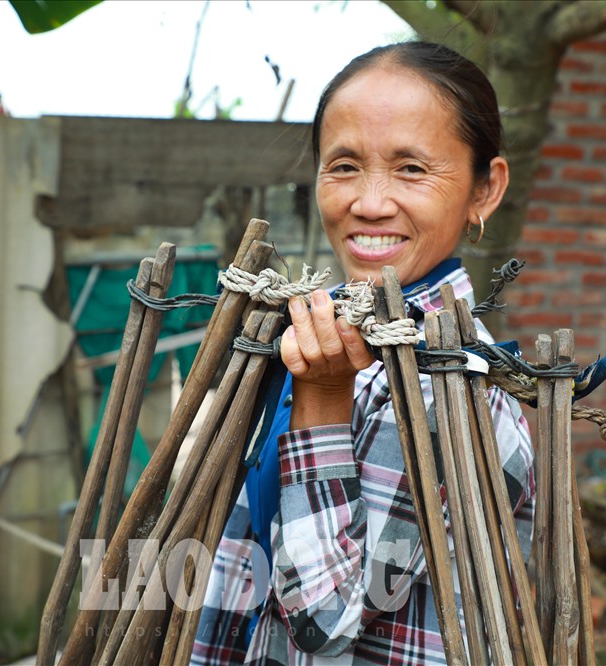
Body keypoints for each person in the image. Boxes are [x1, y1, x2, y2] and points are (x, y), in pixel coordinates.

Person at [192, 40, 535, 665]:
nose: (369, 203)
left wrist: (322, 401)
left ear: (485, 190)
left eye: (411, 169)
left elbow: (328, 618)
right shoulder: (318, 333)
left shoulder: (456, 391)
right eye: (344, 166)